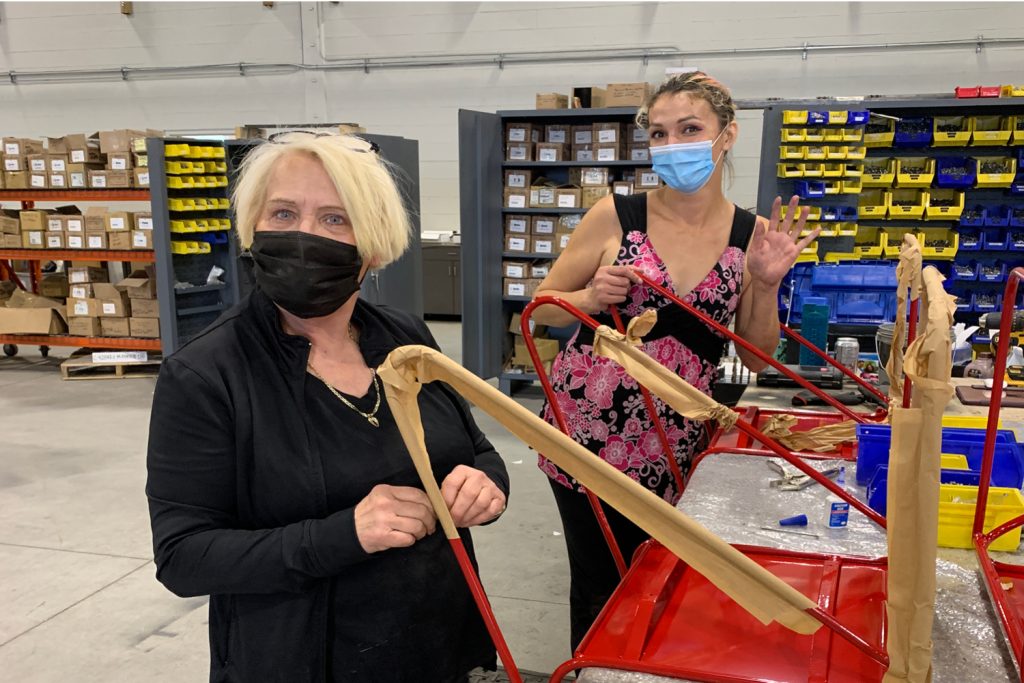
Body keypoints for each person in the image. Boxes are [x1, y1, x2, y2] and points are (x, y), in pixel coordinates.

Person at [146, 132, 509, 683]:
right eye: (284, 212)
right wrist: (344, 535)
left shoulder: (405, 338)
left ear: (374, 243)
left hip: (436, 645)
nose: (303, 236)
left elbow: (476, 449)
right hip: (301, 659)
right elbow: (183, 555)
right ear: (253, 227)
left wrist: (485, 482)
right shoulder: (206, 374)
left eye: (335, 219)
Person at [530, 72, 817, 652]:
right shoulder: (617, 214)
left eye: (690, 129)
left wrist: (764, 283)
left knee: (655, 572)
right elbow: (538, 314)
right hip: (587, 434)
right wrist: (588, 299)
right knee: (597, 580)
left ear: (726, 135)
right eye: (659, 133)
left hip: (675, 442)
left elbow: (755, 359)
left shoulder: (751, 234)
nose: (672, 145)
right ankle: (593, 668)